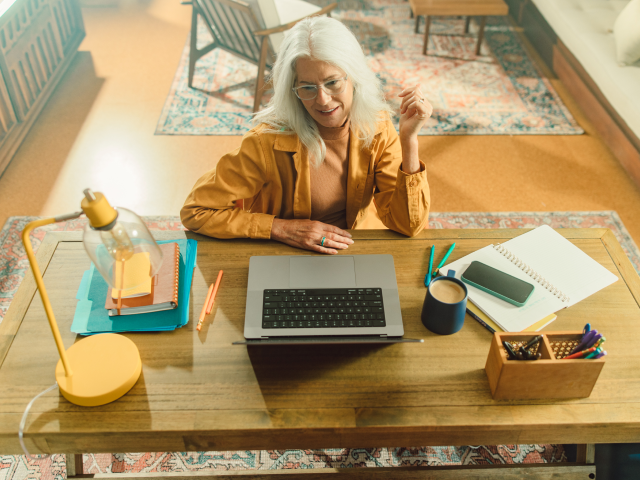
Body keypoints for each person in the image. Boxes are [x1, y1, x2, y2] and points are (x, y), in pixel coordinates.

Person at [181, 16, 432, 254]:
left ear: (355, 78)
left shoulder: (378, 126)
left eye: (333, 83)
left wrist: (409, 140)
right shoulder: (265, 142)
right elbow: (196, 211)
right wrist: (282, 229)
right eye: (307, 87)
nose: (322, 100)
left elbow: (408, 225)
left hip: (355, 247)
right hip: (285, 252)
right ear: (293, 88)